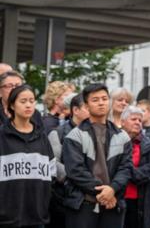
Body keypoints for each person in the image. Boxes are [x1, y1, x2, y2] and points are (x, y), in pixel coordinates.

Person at [62, 83, 133, 228]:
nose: (101, 103)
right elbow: (75, 171)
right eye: (95, 100)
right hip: (83, 204)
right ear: (87, 106)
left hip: (113, 204)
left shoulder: (122, 136)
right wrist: (105, 191)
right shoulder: (75, 135)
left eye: (104, 99)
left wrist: (112, 189)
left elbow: (126, 168)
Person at [0, 84, 55, 226]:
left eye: (31, 101)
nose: (28, 105)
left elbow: (52, 172)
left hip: (37, 217)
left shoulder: (42, 136)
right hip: (7, 219)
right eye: (23, 101)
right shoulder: (2, 136)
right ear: (12, 105)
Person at [48, 93, 90, 228]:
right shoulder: (58, 133)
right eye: (87, 107)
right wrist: (75, 178)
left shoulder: (97, 132)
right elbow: (53, 162)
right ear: (75, 110)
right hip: (65, 197)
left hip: (90, 196)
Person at [120, 105, 150, 228]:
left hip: (139, 200)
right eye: (133, 119)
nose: (137, 122)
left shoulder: (149, 145)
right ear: (123, 122)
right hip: (116, 197)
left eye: (140, 120)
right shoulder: (113, 142)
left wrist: (127, 172)